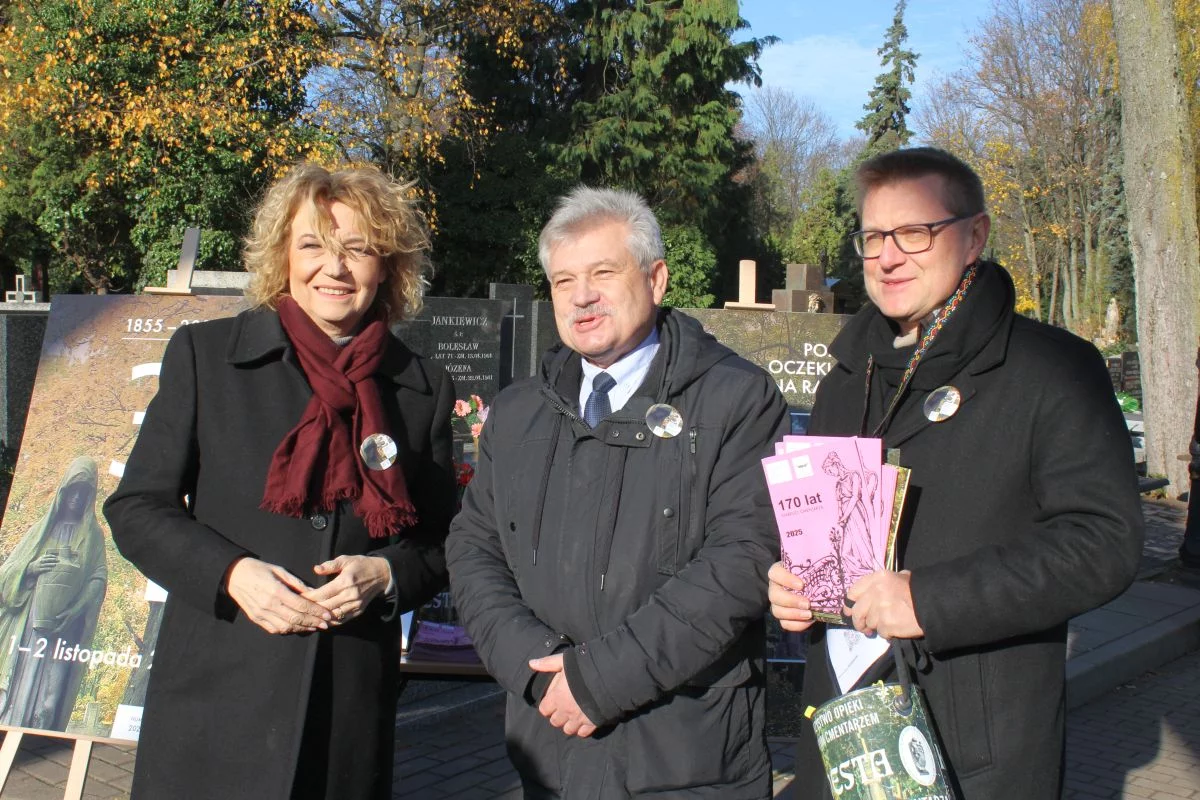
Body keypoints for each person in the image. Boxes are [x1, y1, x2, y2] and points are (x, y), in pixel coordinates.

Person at [767, 147, 1144, 799]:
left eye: (915, 232)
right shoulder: (845, 380)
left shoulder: (1049, 370)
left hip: (971, 741)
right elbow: (828, 527)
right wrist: (794, 583)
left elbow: (1104, 542)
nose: (888, 256)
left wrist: (929, 599)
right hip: (844, 731)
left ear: (974, 237)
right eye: (874, 237)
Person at [104, 164, 455, 800]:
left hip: (345, 711)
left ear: (387, 266)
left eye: (357, 248)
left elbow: (441, 540)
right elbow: (137, 507)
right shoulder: (208, 357)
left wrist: (386, 574)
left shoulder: (420, 387)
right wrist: (232, 574)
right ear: (282, 256)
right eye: (313, 244)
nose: (334, 268)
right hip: (218, 698)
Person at [446, 187, 788, 799]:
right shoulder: (519, 412)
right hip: (549, 746)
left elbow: (740, 560)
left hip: (685, 758)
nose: (582, 296)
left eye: (603, 272)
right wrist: (537, 670)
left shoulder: (737, 399)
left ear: (656, 280)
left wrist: (597, 681)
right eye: (564, 280)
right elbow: (475, 550)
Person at [0, 456, 107, 731]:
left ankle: (39, 740)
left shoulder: (93, 535)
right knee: (20, 688)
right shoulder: (42, 529)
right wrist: (31, 568)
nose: (77, 498)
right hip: (30, 626)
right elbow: (6, 572)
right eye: (73, 490)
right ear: (63, 491)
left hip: (64, 628)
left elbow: (98, 577)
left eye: (84, 492)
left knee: (48, 703)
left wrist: (77, 608)